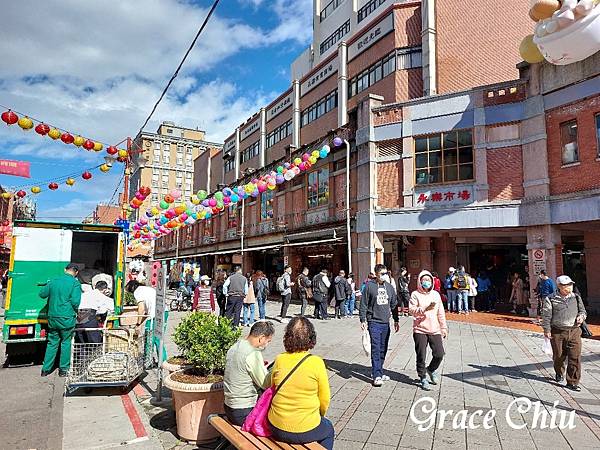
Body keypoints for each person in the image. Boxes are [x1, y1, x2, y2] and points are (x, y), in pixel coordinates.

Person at [267, 317, 334, 450]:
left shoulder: (280, 359)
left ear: (287, 337)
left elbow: (270, 384)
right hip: (306, 427)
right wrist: (318, 415)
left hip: (276, 425)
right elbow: (325, 399)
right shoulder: (316, 362)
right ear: (311, 337)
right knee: (328, 430)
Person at [223, 321, 275, 425]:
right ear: (261, 338)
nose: (266, 344)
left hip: (228, 407)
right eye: (268, 341)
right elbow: (265, 384)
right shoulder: (252, 353)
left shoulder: (235, 347)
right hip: (244, 411)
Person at [542, 275, 587, 392]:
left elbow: (583, 311)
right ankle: (559, 371)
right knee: (559, 356)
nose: (569, 288)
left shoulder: (576, 297)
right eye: (566, 285)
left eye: (570, 285)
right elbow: (546, 316)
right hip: (557, 332)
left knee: (575, 357)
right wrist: (547, 330)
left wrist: (581, 317)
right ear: (559, 286)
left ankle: (572, 382)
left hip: (574, 331)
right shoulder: (550, 298)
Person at [359, 264, 400, 387]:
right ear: (376, 274)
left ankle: (379, 371)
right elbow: (364, 304)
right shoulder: (369, 287)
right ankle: (376, 375)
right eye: (382, 273)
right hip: (374, 322)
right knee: (376, 348)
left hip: (385, 323)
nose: (384, 275)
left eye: (386, 273)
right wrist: (362, 319)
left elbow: (393, 304)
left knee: (383, 348)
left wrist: (396, 320)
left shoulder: (389, 287)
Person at [40, 263, 82, 377]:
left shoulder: (53, 281)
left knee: (52, 342)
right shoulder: (75, 283)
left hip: (53, 317)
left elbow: (42, 294)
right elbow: (75, 302)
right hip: (67, 318)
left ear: (65, 270)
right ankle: (63, 369)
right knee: (66, 342)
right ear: (76, 272)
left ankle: (45, 369)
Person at [409, 270, 448, 391]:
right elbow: (411, 309)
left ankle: (431, 369)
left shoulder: (436, 295)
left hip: (434, 328)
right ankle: (422, 377)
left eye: (428, 280)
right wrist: (424, 308)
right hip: (420, 329)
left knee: (439, 354)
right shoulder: (415, 294)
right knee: (421, 355)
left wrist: (444, 327)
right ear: (420, 281)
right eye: (424, 280)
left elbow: (440, 312)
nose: (426, 282)